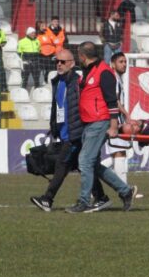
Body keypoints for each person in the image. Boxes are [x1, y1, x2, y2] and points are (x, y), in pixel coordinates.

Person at [30, 49, 111, 212]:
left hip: (76, 133)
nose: (58, 64)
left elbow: (82, 107)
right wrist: (54, 127)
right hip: (65, 132)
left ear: (72, 64)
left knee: (62, 164)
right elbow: (58, 107)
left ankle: (47, 199)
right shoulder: (57, 81)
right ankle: (104, 196)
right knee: (84, 167)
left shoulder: (77, 82)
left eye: (62, 61)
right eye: (57, 62)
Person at [66, 42, 137, 213]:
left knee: (84, 161)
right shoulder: (90, 71)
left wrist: (113, 125)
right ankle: (125, 191)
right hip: (89, 123)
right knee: (93, 164)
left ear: (82, 55)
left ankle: (84, 201)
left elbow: (112, 101)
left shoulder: (104, 72)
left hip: (99, 122)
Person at [101, 53, 132, 184]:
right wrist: (126, 113)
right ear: (113, 64)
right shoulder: (112, 77)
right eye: (121, 62)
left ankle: (91, 175)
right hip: (114, 121)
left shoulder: (118, 78)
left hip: (116, 120)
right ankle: (125, 190)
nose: (124, 64)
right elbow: (114, 100)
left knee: (118, 154)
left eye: (125, 62)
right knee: (120, 153)